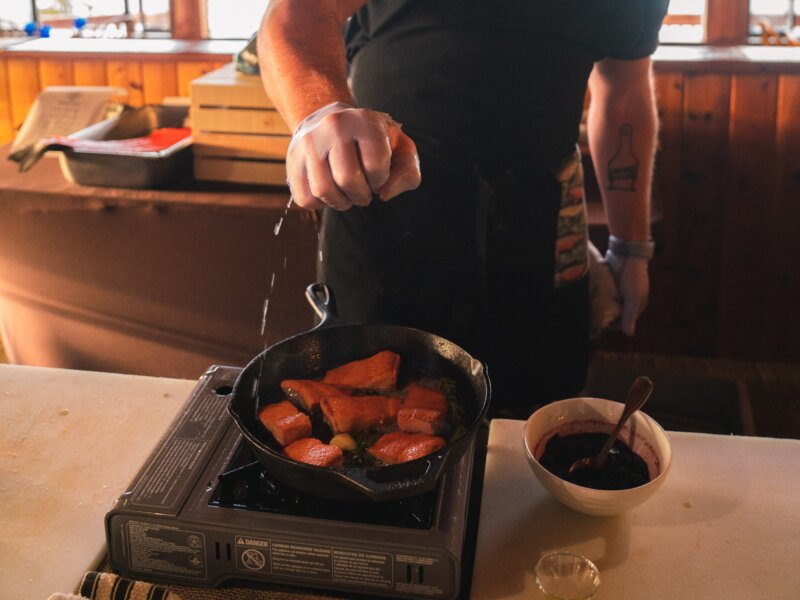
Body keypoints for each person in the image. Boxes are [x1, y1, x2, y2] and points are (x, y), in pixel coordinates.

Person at [257, 0, 669, 419]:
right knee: (358, 421)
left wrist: (630, 248)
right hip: (384, 223)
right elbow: (299, 12)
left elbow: (624, 93)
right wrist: (319, 112)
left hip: (539, 231)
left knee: (538, 424)